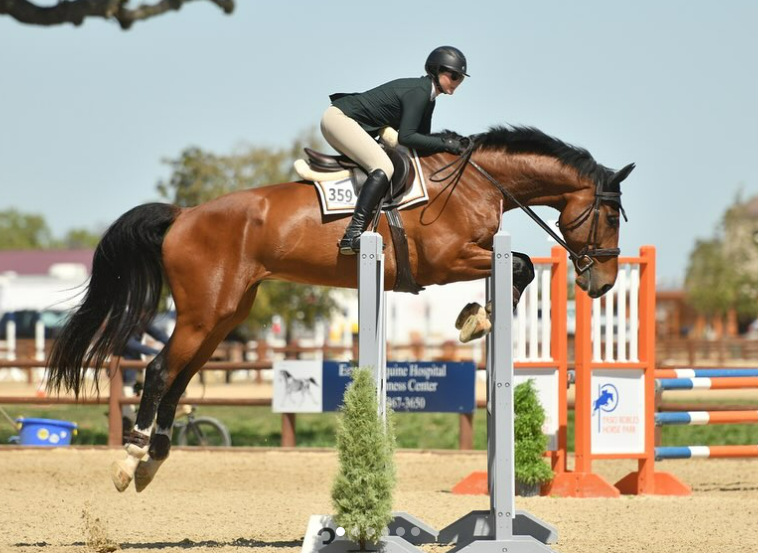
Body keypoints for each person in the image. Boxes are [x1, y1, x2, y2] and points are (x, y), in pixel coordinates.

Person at [322, 46, 471, 255]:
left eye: (460, 79)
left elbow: (420, 142)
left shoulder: (428, 98)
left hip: (349, 122)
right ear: (436, 71)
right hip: (339, 119)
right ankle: (352, 234)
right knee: (383, 166)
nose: (457, 82)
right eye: (454, 76)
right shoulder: (420, 92)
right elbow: (407, 137)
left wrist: (449, 142)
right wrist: (446, 143)